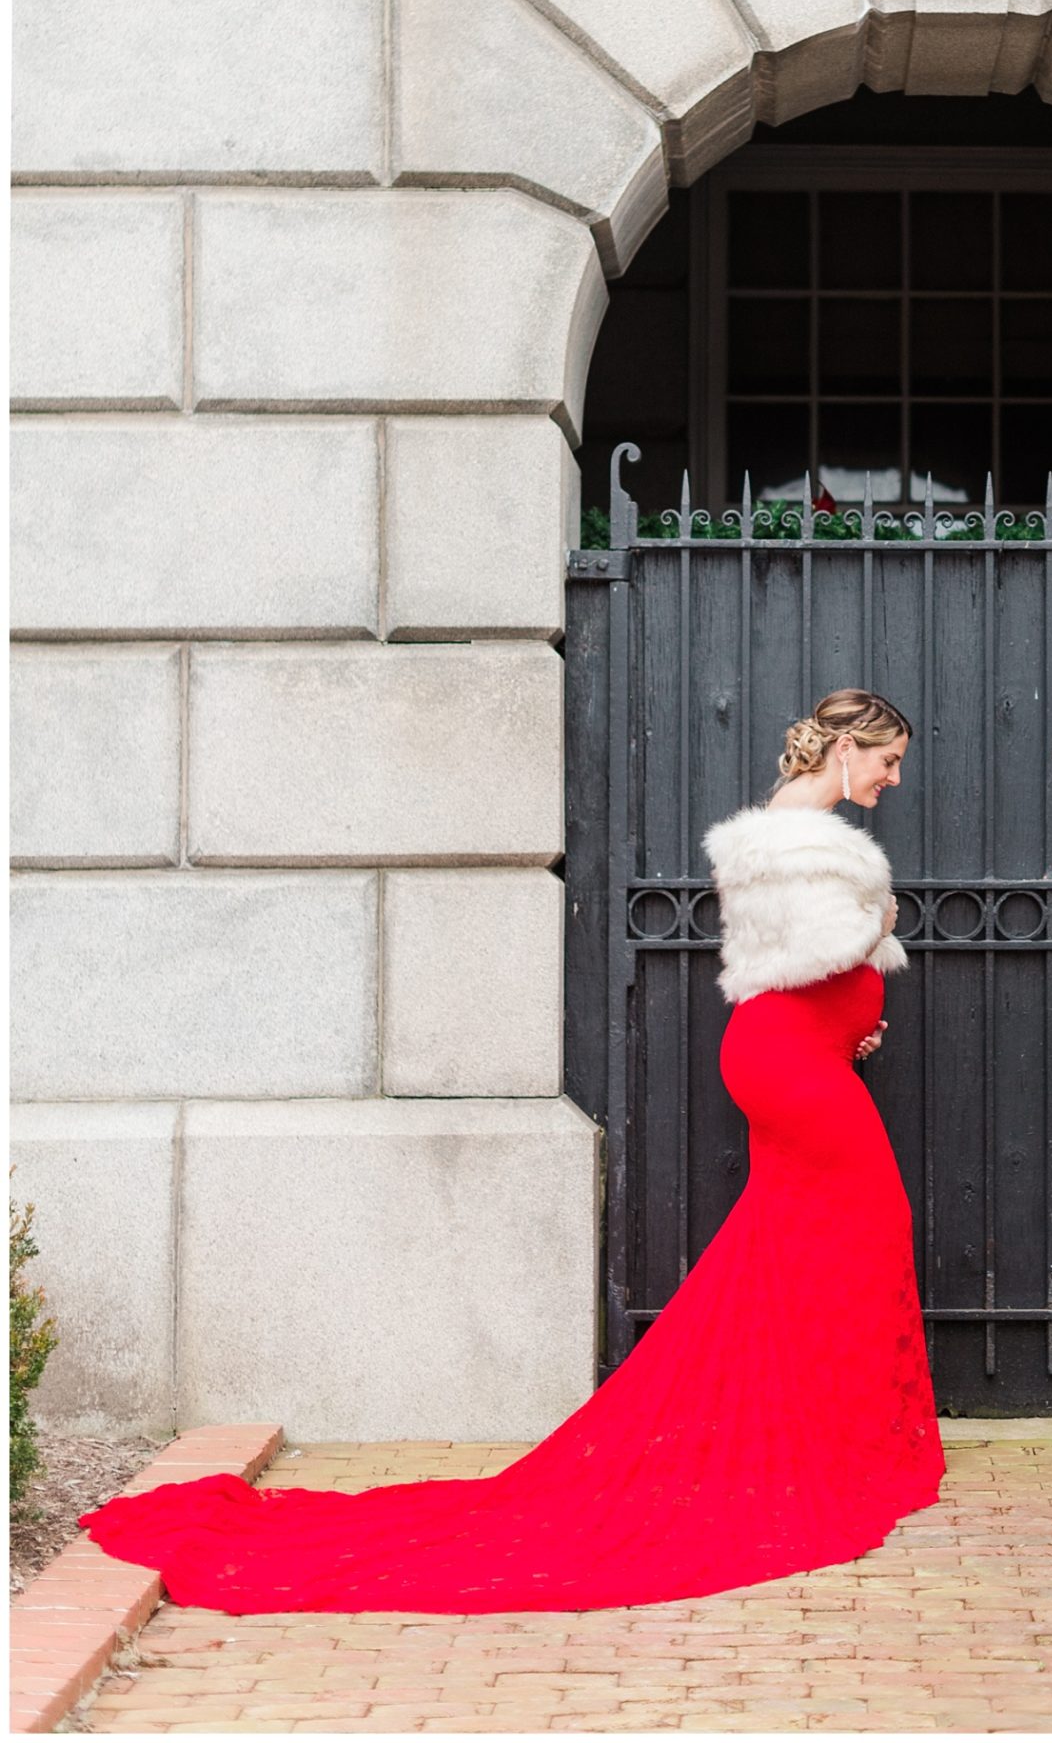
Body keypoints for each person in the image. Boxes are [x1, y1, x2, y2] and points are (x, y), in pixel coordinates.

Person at [76, 689, 944, 1613]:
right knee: (856, 1227)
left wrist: (841, 1021)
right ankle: (837, 1442)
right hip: (791, 1070)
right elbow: (820, 949)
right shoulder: (797, 835)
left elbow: (791, 971)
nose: (891, 780)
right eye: (886, 760)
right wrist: (878, 929)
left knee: (803, 1243)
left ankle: (819, 1428)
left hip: (797, 1060)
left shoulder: (797, 834)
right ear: (845, 749)